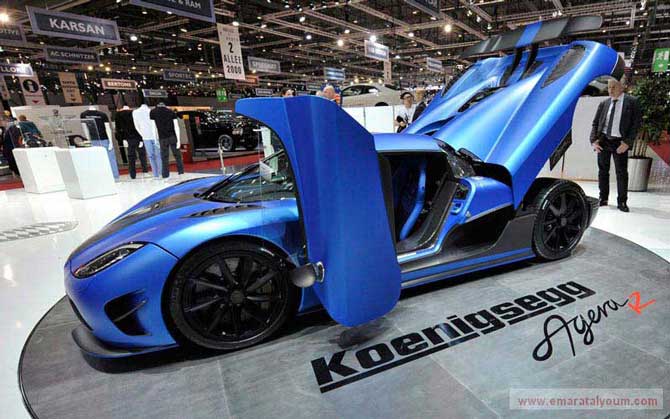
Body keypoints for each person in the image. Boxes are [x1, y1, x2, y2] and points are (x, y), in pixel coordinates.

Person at [590, 78, 642, 213]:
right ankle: (603, 198)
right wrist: (594, 141)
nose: (610, 90)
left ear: (622, 87)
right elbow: (596, 123)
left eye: (613, 87)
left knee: (621, 172)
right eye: (608, 87)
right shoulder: (604, 103)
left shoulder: (632, 102)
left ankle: (622, 201)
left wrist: (627, 143)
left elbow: (636, 124)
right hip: (603, 141)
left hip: (620, 142)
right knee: (603, 171)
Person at [150, 103, 184, 179]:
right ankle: (181, 171)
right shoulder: (171, 111)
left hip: (162, 138)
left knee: (164, 157)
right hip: (172, 136)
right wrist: (178, 139)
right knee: (177, 155)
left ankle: (165, 174)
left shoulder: (153, 112)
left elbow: (153, 127)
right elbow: (176, 126)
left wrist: (155, 139)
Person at [115, 106, 148, 180]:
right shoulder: (134, 113)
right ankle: (145, 171)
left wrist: (122, 139)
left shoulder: (118, 115)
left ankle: (132, 174)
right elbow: (139, 126)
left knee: (131, 157)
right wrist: (141, 139)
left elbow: (118, 128)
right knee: (142, 155)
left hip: (127, 139)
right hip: (137, 137)